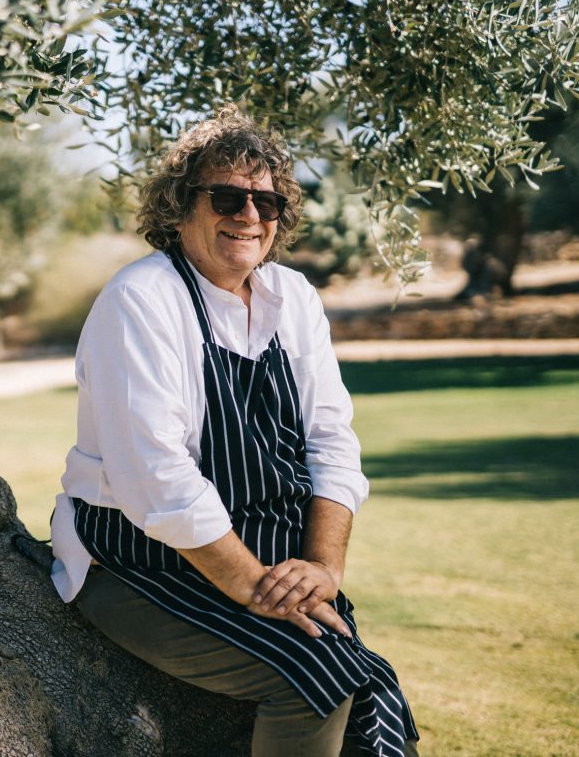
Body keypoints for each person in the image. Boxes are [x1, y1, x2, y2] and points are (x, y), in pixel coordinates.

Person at [49, 105, 420, 756]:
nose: (250, 215)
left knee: (369, 685)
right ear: (178, 208)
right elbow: (157, 482)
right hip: (138, 562)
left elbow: (332, 443)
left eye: (267, 203)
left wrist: (322, 568)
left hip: (273, 558)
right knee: (316, 676)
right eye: (228, 196)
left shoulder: (294, 298)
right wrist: (257, 590)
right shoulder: (141, 300)